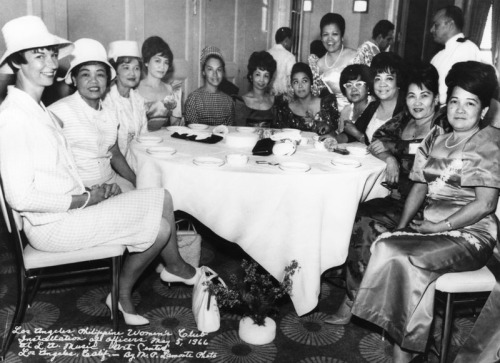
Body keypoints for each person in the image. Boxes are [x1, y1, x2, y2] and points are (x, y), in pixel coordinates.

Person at [0, 15, 199, 327]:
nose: (51, 62)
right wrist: (86, 199)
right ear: (16, 63)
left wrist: (98, 192)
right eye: (38, 55)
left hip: (67, 212)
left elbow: (69, 167)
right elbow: (19, 196)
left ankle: (147, 281)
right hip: (52, 226)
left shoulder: (34, 109)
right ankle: (168, 275)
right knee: (159, 218)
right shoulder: (13, 117)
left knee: (161, 204)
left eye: (52, 53)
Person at [351, 61, 500, 363]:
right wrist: (402, 227)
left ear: (483, 110)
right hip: (433, 228)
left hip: (470, 235)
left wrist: (439, 226)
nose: (460, 110)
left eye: (470, 103)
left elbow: (485, 204)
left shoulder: (490, 142)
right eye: (455, 101)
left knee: (409, 261)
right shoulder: (436, 138)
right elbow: (419, 187)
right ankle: (405, 341)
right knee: (386, 244)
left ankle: (403, 353)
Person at [325, 63, 448, 325]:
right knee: (352, 210)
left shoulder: (442, 127)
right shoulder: (404, 120)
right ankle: (357, 289)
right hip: (396, 199)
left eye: (424, 96)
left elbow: (426, 177)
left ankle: (353, 300)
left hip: (427, 207)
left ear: (436, 99)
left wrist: (402, 227)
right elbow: (376, 140)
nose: (417, 103)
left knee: (366, 223)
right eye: (412, 96)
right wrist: (389, 156)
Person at [49, 39, 135, 193]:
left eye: (100, 74)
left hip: (112, 182)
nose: (94, 81)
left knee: (159, 198)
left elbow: (114, 152)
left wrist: (137, 182)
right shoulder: (58, 112)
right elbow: (52, 165)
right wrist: (86, 192)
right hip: (81, 190)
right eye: (85, 74)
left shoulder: (110, 112)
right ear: (74, 80)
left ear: (108, 81)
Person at [336, 52, 406, 144]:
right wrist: (331, 138)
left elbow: (395, 149)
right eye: (378, 79)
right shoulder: (373, 107)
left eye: (389, 78)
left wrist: (358, 135)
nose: (382, 84)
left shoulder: (405, 111)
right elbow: (349, 135)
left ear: (398, 81)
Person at [430, 5, 482, 105]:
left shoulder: (468, 49)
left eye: (436, 25)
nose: (431, 30)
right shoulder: (438, 56)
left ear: (450, 24)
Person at [103, 40, 147, 156]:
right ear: (115, 71)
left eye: (136, 68)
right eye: (126, 67)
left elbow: (144, 136)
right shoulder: (106, 101)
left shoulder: (138, 100)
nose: (133, 73)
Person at [309, 13, 357, 111]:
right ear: (321, 37)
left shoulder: (354, 56)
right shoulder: (319, 64)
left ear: (342, 36)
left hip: (356, 112)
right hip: (332, 116)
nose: (330, 39)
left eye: (335, 34)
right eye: (325, 34)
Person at [273, 62, 338, 134]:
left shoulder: (327, 104)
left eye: (304, 81)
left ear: (311, 82)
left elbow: (336, 134)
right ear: (292, 85)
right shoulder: (285, 110)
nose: (300, 86)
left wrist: (316, 123)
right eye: (296, 82)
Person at [137, 36, 182, 130]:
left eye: (166, 62)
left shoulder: (172, 90)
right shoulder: (134, 90)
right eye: (157, 61)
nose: (162, 66)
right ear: (146, 62)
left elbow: (175, 126)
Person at [184, 46, 235, 126]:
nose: (215, 74)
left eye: (219, 69)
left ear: (223, 72)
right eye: (210, 69)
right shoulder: (194, 99)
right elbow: (193, 131)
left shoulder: (229, 101)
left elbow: (229, 131)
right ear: (203, 72)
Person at [234, 51, 276, 127]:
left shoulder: (275, 102)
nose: (261, 80)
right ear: (251, 76)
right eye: (258, 74)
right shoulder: (241, 102)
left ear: (270, 79)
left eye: (266, 76)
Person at [336, 64, 373, 138]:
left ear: (368, 87)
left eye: (359, 84)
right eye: (349, 85)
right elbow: (341, 136)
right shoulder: (346, 111)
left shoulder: (375, 108)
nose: (353, 89)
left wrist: (356, 133)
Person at [267, 27, 296, 96]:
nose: (292, 43)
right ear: (286, 40)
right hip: (282, 97)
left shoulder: (267, 53)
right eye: (291, 40)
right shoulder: (290, 57)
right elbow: (291, 81)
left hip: (267, 96)